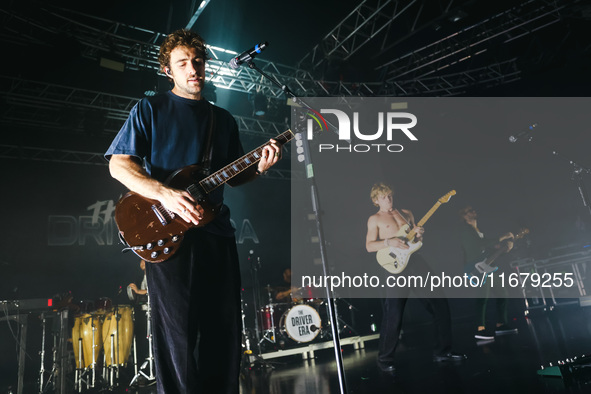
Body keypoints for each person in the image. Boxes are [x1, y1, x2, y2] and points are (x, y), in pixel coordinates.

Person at [105, 28, 281, 393]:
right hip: (168, 237)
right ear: (168, 71)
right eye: (183, 63)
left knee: (224, 331)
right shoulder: (150, 109)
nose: (193, 69)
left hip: (215, 233)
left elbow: (233, 177)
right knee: (178, 336)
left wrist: (260, 168)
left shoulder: (224, 120)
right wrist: (166, 195)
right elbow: (119, 165)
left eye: (198, 61)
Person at [365, 183, 465, 373]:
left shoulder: (406, 213)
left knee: (440, 303)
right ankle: (385, 360)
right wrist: (389, 241)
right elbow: (369, 246)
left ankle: (443, 351)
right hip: (395, 267)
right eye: (384, 197)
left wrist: (419, 235)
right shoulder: (375, 219)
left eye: (390, 196)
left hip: (414, 262)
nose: (389, 200)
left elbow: (415, 241)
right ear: (376, 200)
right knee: (393, 314)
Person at [459, 206, 518, 341]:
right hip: (476, 269)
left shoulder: (477, 230)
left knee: (503, 293)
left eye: (473, 210)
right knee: (482, 297)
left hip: (487, 266)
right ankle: (480, 328)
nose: (474, 212)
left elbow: (486, 248)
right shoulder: (465, 230)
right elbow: (479, 244)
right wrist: (501, 237)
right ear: (463, 216)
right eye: (469, 211)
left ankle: (501, 324)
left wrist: (502, 248)